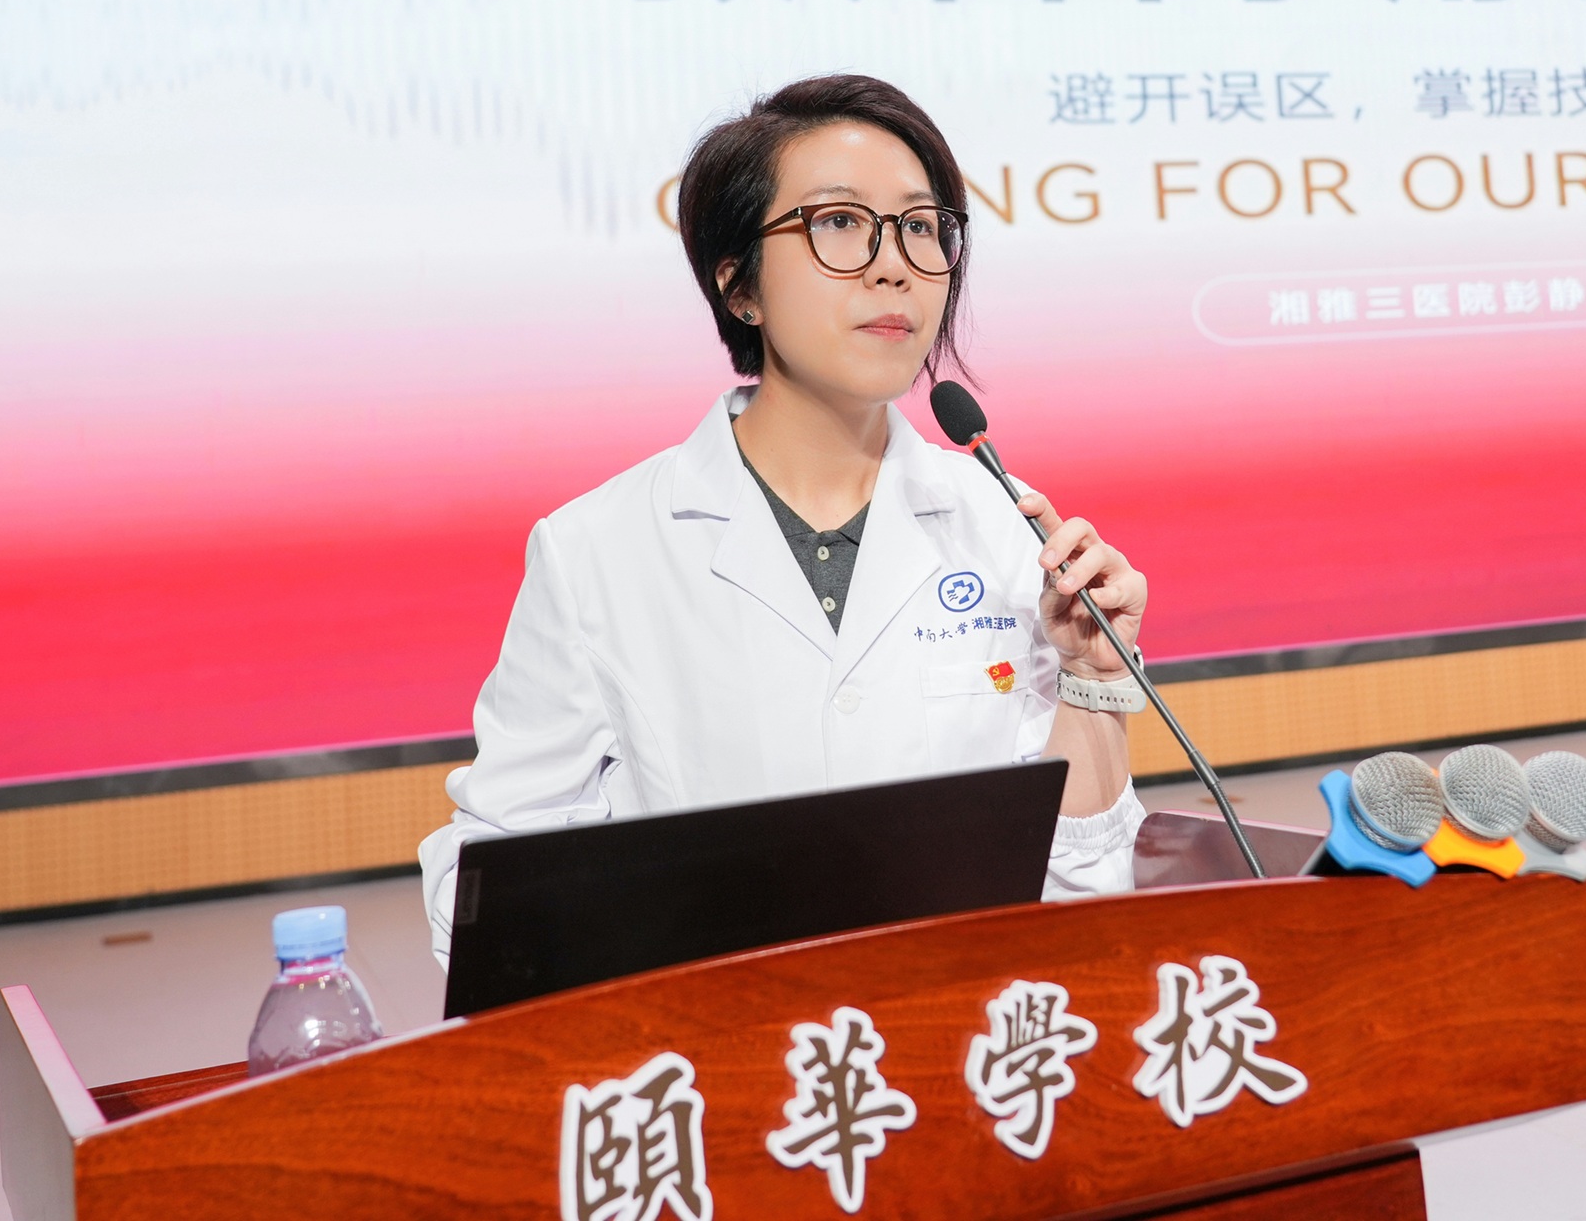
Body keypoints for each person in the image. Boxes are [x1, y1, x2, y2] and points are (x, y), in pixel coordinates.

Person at [417, 75, 1148, 966]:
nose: (893, 265)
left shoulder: (1009, 527)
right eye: (838, 221)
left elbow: (1080, 890)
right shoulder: (595, 550)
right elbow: (489, 876)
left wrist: (1094, 679)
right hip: (725, 1029)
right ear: (740, 286)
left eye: (922, 226)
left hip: (963, 1016)